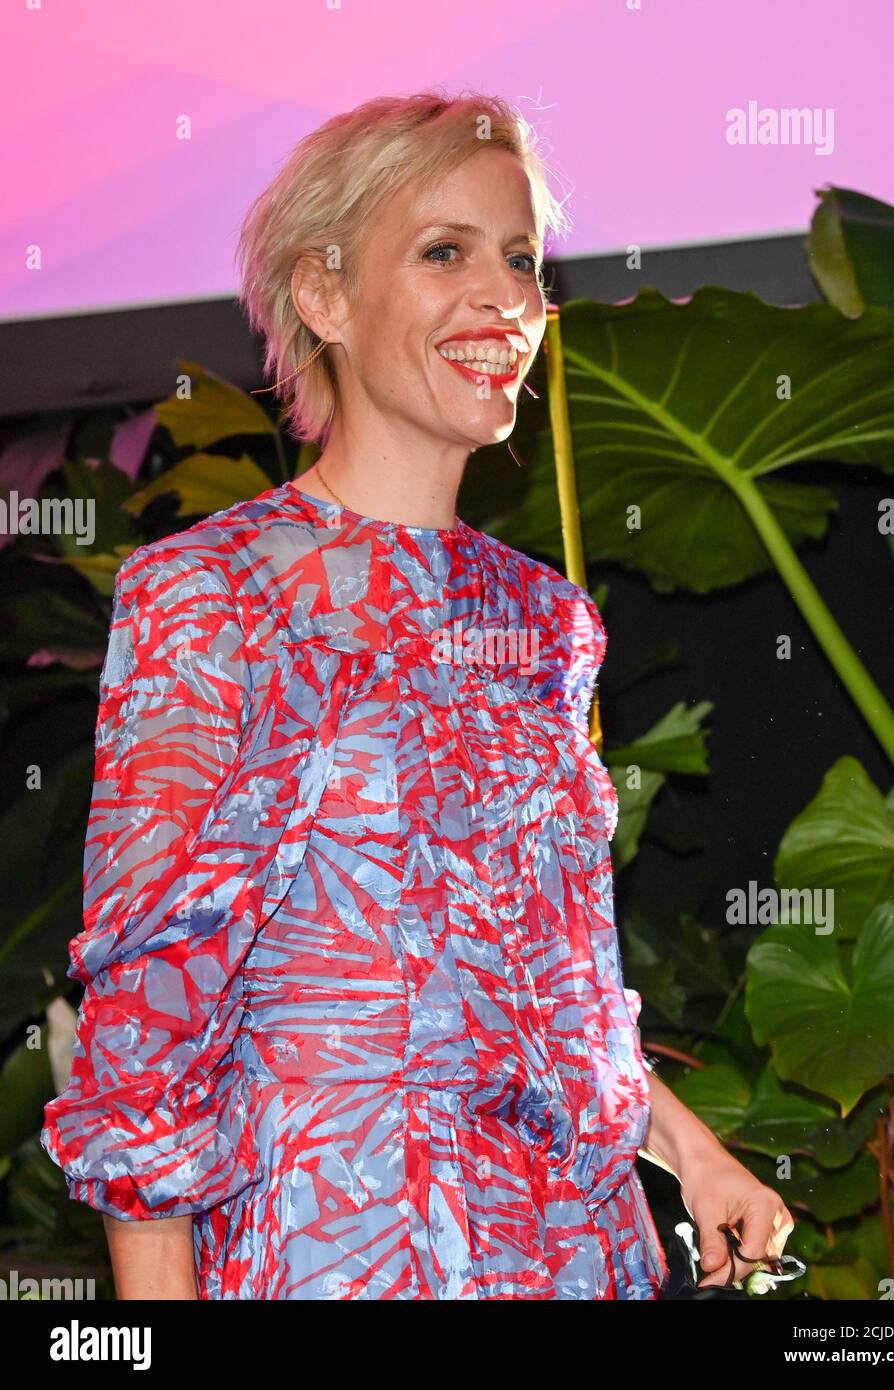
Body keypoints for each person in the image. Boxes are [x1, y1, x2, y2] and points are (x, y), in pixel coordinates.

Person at [41, 89, 794, 1300]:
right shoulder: (207, 594)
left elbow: (551, 983)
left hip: (575, 1249)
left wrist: (691, 1153)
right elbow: (150, 1014)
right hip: (341, 1249)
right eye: (445, 251)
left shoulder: (547, 622)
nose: (505, 297)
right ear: (324, 295)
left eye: (522, 259)